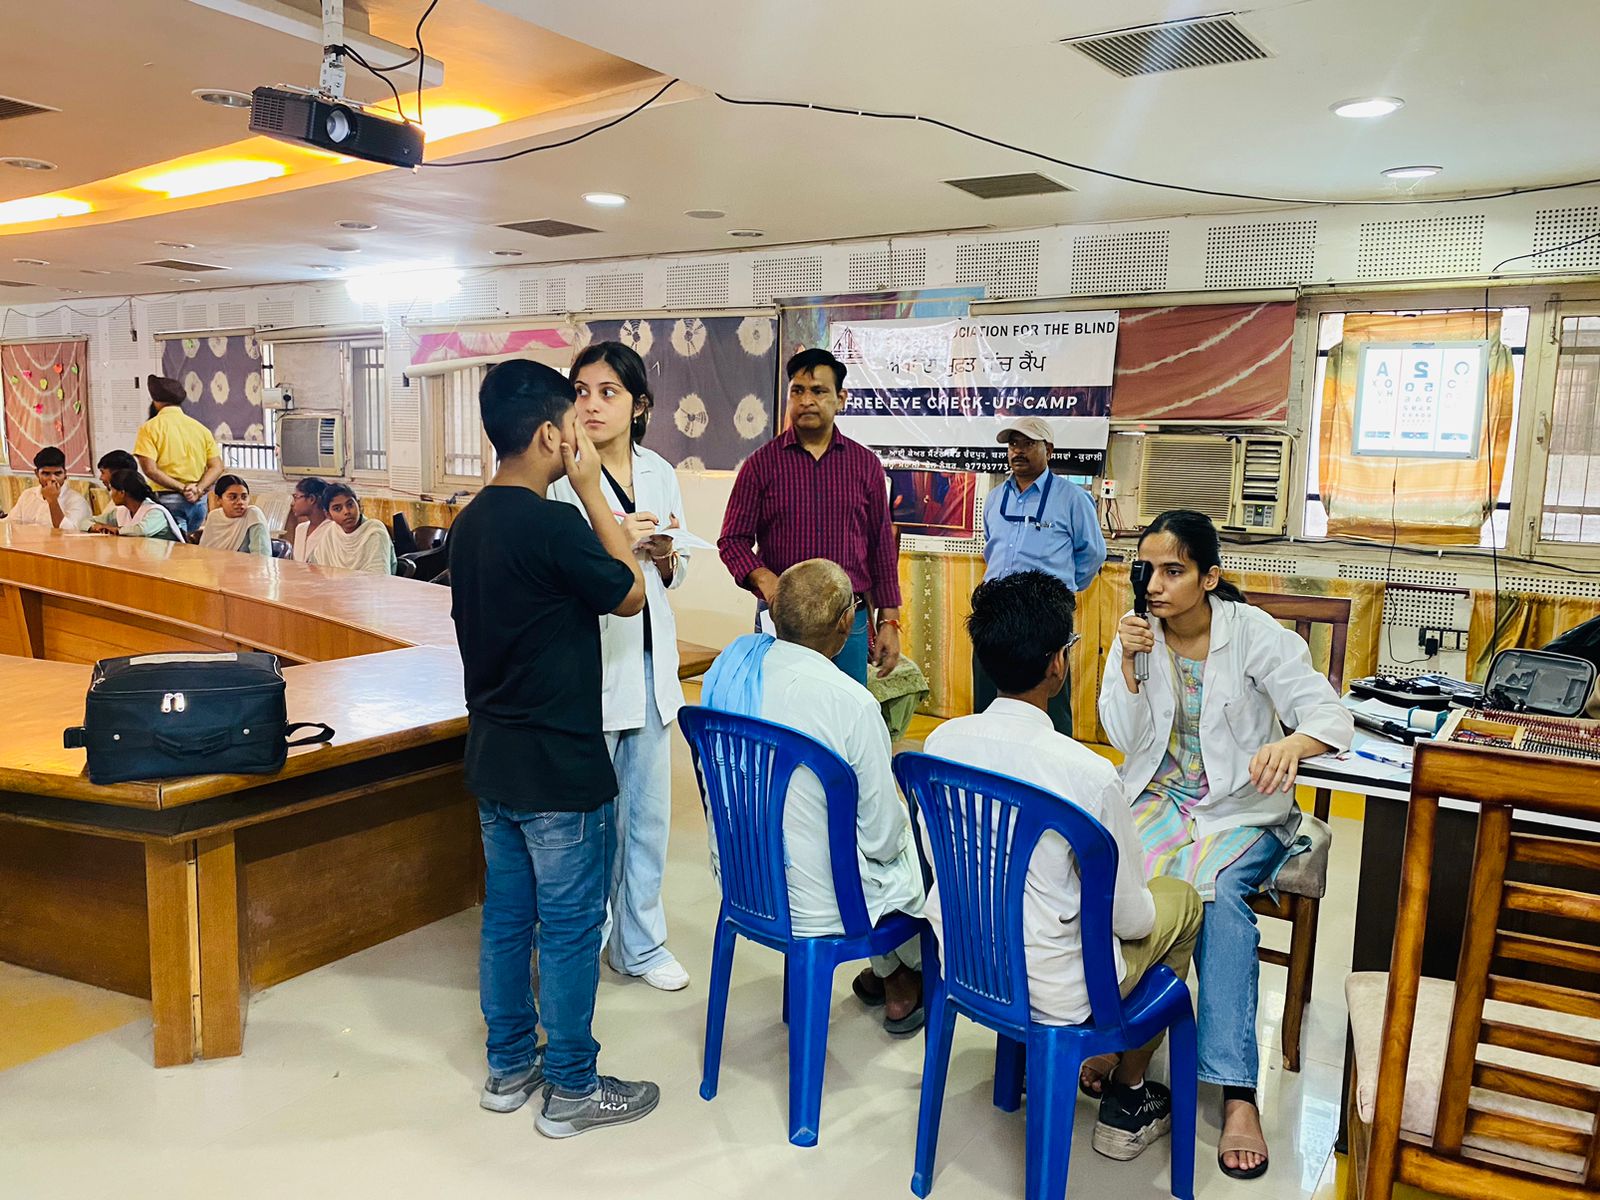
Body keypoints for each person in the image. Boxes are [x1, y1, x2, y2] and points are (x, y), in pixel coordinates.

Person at [1096, 510, 1353, 1180]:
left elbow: (1329, 714)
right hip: (1158, 796)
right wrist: (1125, 663)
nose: (1155, 584)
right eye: (1147, 568)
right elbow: (1123, 737)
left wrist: (1294, 743)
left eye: (1174, 570)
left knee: (1212, 894)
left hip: (1240, 808)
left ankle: (1237, 1091)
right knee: (1126, 883)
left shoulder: (1255, 636)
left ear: (1210, 577)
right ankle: (1127, 1037)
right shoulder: (1138, 635)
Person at [923, 570, 1203, 1160]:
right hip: (1058, 989)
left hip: (970, 964)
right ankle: (1128, 1094)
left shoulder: (941, 745)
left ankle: (1024, 1064)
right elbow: (1132, 921)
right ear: (1058, 664)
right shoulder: (1086, 773)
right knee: (1181, 903)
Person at [448, 358, 658, 1137]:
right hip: (560, 770)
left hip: (493, 760)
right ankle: (571, 1084)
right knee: (569, 927)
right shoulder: (554, 521)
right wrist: (593, 485)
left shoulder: (469, 523)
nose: (583, 432)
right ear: (548, 433)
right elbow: (630, 591)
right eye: (573, 421)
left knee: (508, 919)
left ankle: (510, 1067)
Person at [702, 559, 926, 1034]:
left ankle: (888, 972)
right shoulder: (850, 702)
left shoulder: (729, 667)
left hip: (743, 882)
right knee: (922, 846)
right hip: (821, 904)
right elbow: (882, 838)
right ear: (848, 623)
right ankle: (905, 979)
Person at [549, 341, 692, 993]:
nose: (592, 404)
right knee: (590, 826)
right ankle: (588, 937)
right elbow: (554, 574)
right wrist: (616, 541)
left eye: (608, 392)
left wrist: (662, 553)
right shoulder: (557, 479)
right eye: (581, 390)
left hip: (650, 667)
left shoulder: (660, 471)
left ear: (638, 406)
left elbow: (675, 570)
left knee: (648, 821)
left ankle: (640, 943)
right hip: (591, 671)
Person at [718, 348, 902, 685]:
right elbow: (732, 541)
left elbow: (881, 548)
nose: (806, 400)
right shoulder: (762, 465)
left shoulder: (865, 465)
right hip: (781, 619)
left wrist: (890, 619)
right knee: (778, 716)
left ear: (840, 399)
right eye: (797, 391)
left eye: (818, 391)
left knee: (842, 718)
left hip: (848, 621)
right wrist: (765, 581)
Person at [976, 415, 1106, 734]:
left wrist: (1062, 594)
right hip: (996, 612)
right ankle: (985, 759)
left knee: (1050, 700)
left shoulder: (1073, 498)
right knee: (988, 696)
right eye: (1013, 444)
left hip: (1044, 614)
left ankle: (1054, 764)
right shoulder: (995, 498)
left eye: (1028, 444)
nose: (1017, 451)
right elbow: (990, 545)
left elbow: (1093, 553)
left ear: (1048, 448)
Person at [132, 374, 223, 535]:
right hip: (198, 502)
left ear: (155, 401)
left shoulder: (150, 428)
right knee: (188, 546)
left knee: (173, 553)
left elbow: (150, 470)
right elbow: (217, 466)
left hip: (168, 500)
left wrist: (182, 489)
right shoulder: (200, 428)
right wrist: (198, 489)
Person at [303, 483, 397, 576]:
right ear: (328, 515)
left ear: (358, 504)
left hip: (369, 590)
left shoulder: (374, 531)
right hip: (334, 589)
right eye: (337, 508)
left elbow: (379, 577)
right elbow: (315, 567)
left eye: (350, 505)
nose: (347, 512)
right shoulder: (331, 532)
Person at [3, 446, 91, 530]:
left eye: (58, 473)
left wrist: (53, 501)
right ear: (37, 473)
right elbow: (10, 523)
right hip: (28, 544)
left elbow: (69, 533)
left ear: (65, 474)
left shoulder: (77, 500)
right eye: (46, 474)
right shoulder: (27, 495)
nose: (52, 479)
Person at [84, 469, 183, 540]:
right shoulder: (121, 512)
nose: (110, 494)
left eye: (112, 489)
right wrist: (93, 527)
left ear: (122, 493)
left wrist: (115, 530)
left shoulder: (155, 512)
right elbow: (84, 522)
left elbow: (141, 531)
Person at [199, 474, 271, 556]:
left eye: (244, 497)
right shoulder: (214, 516)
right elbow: (204, 552)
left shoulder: (253, 515)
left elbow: (262, 557)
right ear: (218, 499)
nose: (240, 502)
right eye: (233, 497)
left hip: (245, 567)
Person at [284, 477, 331, 561]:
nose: (292, 503)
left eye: (296, 497)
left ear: (312, 499)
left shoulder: (332, 530)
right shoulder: (300, 528)